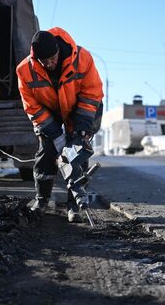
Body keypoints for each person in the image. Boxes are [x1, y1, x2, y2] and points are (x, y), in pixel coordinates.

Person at [16, 27, 104, 222]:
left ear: (58, 49)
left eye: (52, 58)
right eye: (43, 61)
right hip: (50, 111)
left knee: (77, 152)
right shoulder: (25, 70)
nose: (49, 64)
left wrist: (81, 128)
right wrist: (54, 134)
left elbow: (92, 94)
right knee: (47, 152)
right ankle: (41, 200)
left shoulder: (82, 58)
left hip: (80, 107)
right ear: (35, 57)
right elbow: (32, 106)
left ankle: (75, 207)